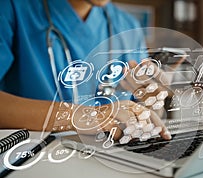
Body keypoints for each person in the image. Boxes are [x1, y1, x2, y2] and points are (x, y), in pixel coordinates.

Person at [0, 0, 171, 140]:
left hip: (114, 158)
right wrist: (83, 116)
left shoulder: (128, 27)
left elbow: (142, 109)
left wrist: (152, 102)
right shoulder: (12, 8)